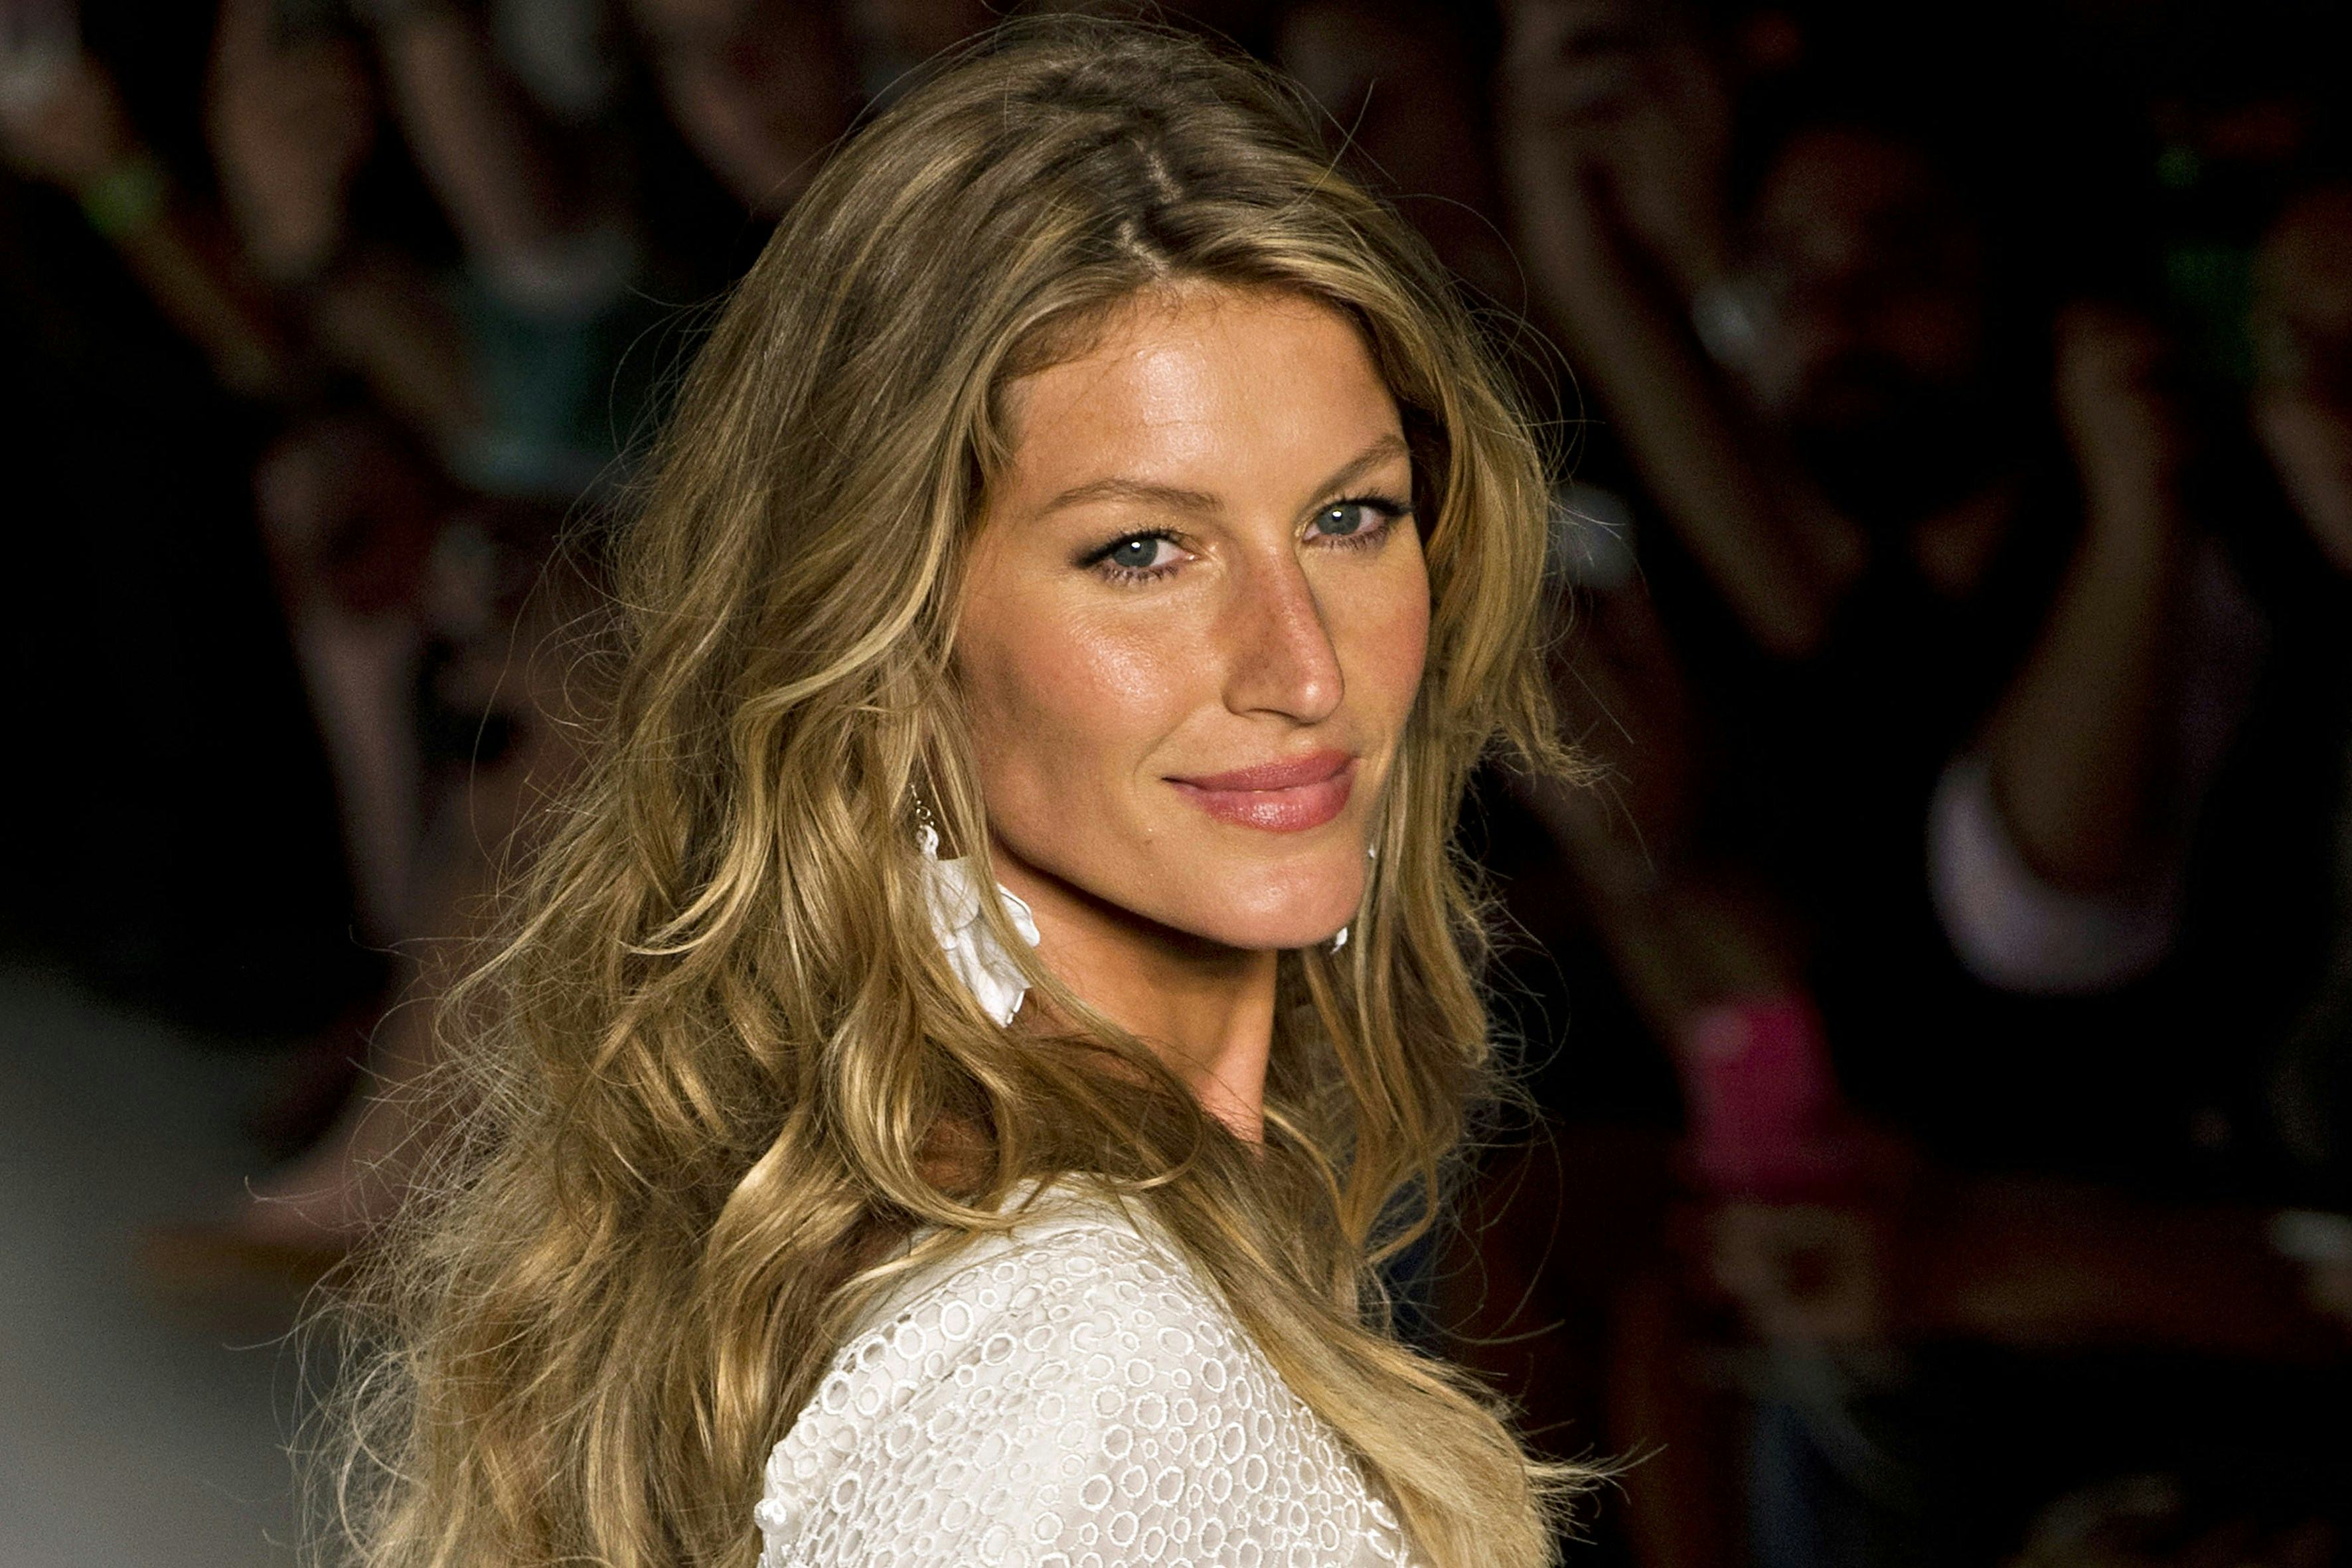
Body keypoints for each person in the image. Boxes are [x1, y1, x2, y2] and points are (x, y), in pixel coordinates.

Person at [317, 21, 1590, 1568]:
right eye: (1142, 549)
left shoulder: (922, 1206)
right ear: (892, 627)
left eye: (1349, 517)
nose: (1302, 667)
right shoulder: (1084, 1368)